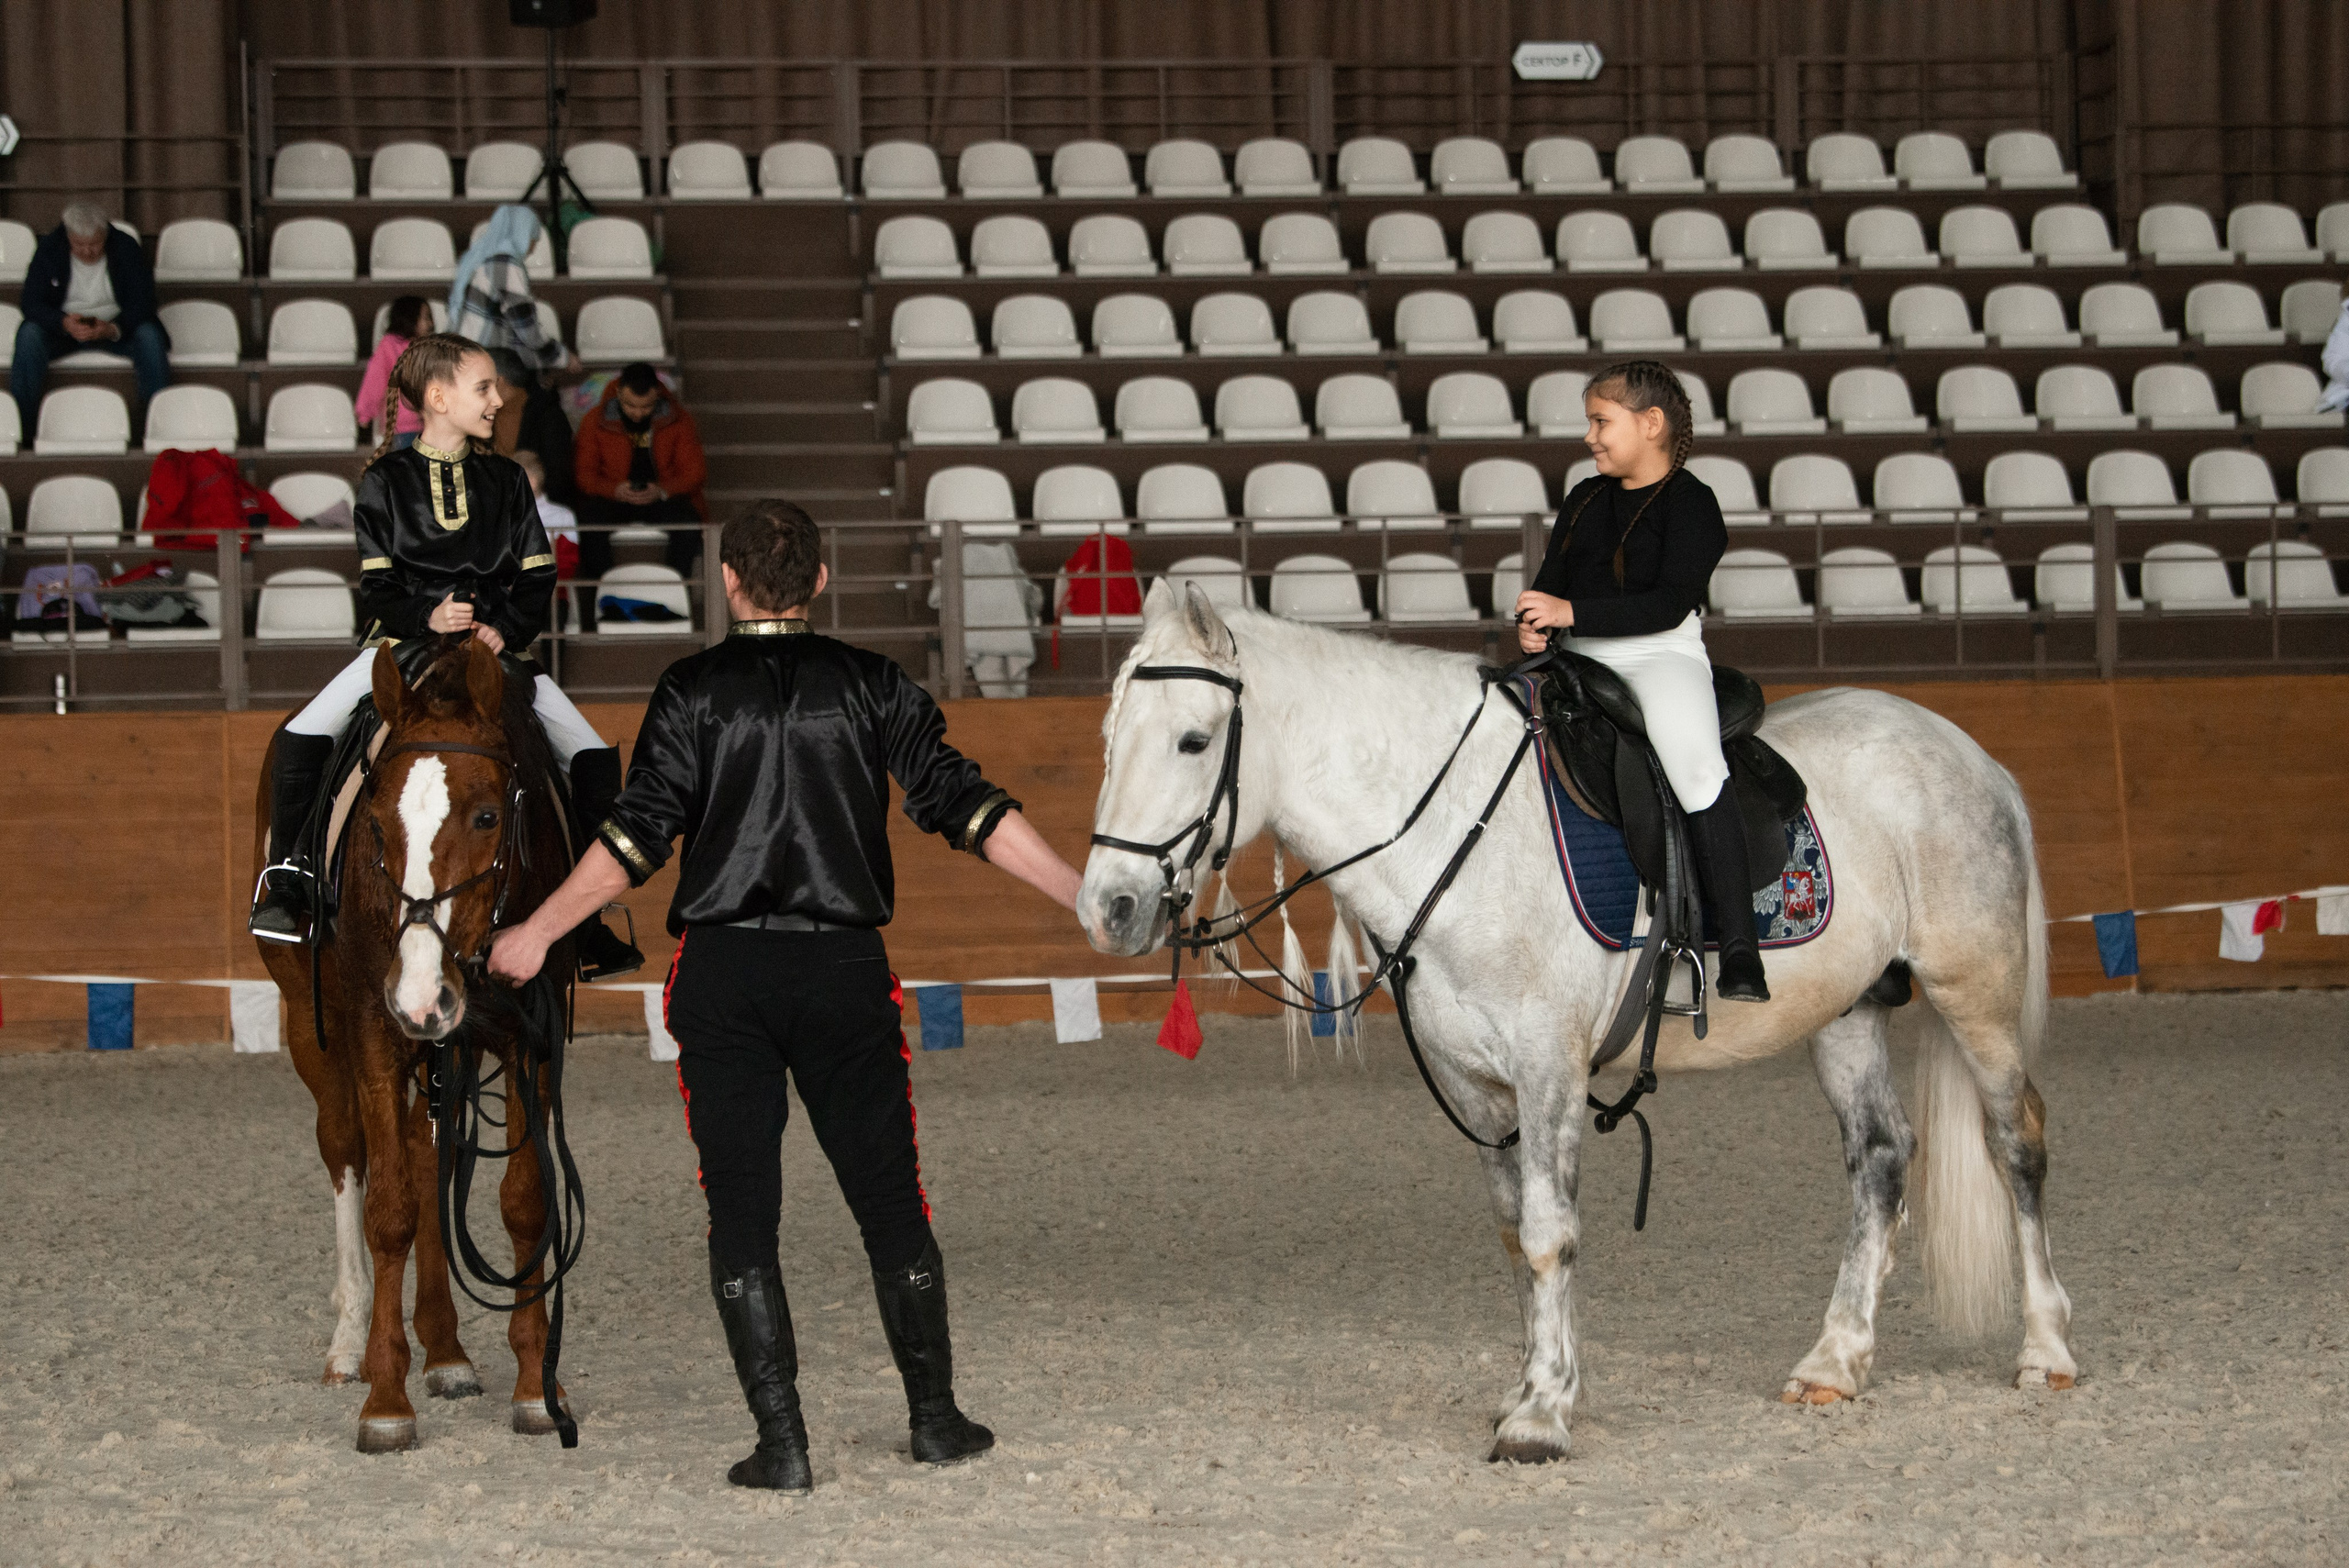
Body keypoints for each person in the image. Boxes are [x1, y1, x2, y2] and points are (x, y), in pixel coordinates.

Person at [484, 499, 1085, 1493]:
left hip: (723, 976)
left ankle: (784, 1442)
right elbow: (964, 802)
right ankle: (933, 1419)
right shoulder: (872, 683)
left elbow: (634, 840)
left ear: (726, 583)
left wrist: (539, 930)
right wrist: (1074, 892)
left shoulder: (689, 690)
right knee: (891, 1199)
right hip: (845, 970)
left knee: (742, 1214)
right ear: (816, 583)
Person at [249, 332, 644, 983]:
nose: (498, 399)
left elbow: (538, 576)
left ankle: (585, 920)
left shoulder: (509, 479)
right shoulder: (382, 483)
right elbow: (377, 585)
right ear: (438, 397)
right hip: (403, 648)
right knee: (299, 735)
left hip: (497, 653)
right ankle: (293, 882)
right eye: (484, 388)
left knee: (595, 756)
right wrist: (425, 617)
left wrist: (501, 628)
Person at [1512, 359, 1767, 1004]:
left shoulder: (1692, 505)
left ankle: (1739, 944)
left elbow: (1666, 603)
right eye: (1590, 422)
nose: (1591, 436)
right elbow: (1555, 578)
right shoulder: (1583, 497)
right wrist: (1538, 619)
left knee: (1695, 764)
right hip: (1579, 654)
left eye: (1602, 421)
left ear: (1651, 423)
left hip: (1659, 654)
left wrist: (1570, 613)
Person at [12, 201, 169, 432]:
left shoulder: (126, 247)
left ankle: (156, 426)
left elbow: (144, 302)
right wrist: (62, 322)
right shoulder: (50, 248)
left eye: (95, 244)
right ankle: (23, 429)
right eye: (79, 244)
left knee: (149, 337)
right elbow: (30, 302)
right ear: (68, 237)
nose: (87, 251)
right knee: (28, 335)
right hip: (64, 329)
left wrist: (113, 328)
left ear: (105, 234)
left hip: (114, 326)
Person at [573, 361, 709, 612]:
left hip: (661, 497)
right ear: (618, 393)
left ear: (657, 395)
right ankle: (602, 601)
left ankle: (673, 598)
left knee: (688, 523)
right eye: (629, 406)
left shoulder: (678, 420)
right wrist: (614, 490)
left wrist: (662, 489)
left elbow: (695, 472)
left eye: (646, 407)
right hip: (614, 498)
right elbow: (583, 475)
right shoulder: (595, 421)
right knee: (589, 521)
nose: (637, 413)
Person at [449, 204, 576, 381]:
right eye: (533, 238)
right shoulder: (504, 264)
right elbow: (526, 328)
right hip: (485, 362)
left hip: (469, 357)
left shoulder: (482, 259)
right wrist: (563, 358)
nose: (533, 247)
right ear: (522, 233)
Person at [355, 295, 431, 450]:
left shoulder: (428, 347)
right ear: (410, 318)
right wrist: (366, 412)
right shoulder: (389, 345)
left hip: (431, 425)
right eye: (425, 317)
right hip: (403, 427)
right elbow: (376, 379)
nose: (430, 324)